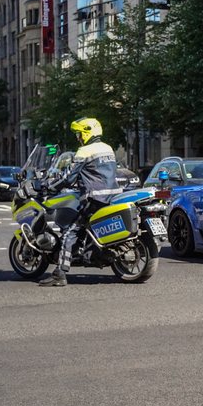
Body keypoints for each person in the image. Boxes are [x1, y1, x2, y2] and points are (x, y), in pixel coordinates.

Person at [39, 117, 123, 287]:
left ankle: (60, 273)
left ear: (85, 133)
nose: (78, 138)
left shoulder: (84, 151)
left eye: (79, 134)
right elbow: (98, 174)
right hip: (112, 196)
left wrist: (48, 185)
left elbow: (68, 178)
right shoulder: (108, 149)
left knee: (71, 232)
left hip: (95, 198)